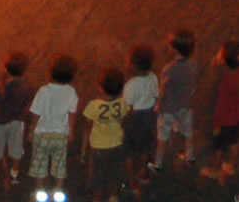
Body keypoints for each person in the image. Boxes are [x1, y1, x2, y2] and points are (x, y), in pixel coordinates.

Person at [28, 55, 80, 202]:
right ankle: (58, 189)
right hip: (61, 134)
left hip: (42, 133)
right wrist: (71, 131)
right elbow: (72, 114)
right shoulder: (71, 92)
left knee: (40, 163)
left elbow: (36, 113)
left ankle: (39, 191)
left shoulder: (44, 91)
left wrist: (31, 130)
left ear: (50, 72)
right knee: (59, 163)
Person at [202, 40, 239, 182]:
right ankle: (231, 166)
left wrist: (216, 125)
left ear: (223, 61)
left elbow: (221, 106)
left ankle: (215, 169)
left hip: (223, 120)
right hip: (238, 117)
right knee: (234, 143)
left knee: (217, 146)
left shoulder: (225, 80)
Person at [0, 51, 33, 188]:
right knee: (15, 152)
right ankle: (13, 177)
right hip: (17, 123)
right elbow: (28, 106)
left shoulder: (2, 88)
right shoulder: (25, 87)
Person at [82, 68, 130, 202]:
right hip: (117, 144)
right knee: (115, 172)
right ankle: (113, 196)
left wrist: (83, 150)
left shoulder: (93, 105)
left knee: (97, 175)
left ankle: (97, 198)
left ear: (100, 88)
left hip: (98, 146)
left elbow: (87, 128)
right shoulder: (122, 103)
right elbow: (124, 120)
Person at [154, 30, 198, 170]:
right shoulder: (193, 64)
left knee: (162, 136)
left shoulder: (169, 69)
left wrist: (158, 104)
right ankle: (189, 156)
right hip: (185, 105)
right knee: (188, 132)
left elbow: (163, 88)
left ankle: (158, 163)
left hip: (169, 108)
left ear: (174, 49)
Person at [120, 46, 159, 184]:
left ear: (133, 66)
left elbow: (127, 106)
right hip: (149, 115)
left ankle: (131, 179)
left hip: (135, 118)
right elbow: (156, 95)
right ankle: (142, 172)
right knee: (145, 145)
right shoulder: (153, 77)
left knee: (128, 148)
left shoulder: (130, 85)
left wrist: (122, 122)